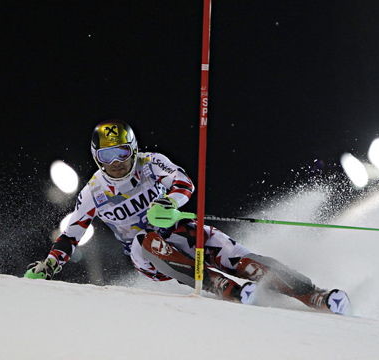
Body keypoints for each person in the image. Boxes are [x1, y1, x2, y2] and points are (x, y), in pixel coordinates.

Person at [25, 120, 350, 314]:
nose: (117, 162)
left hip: (179, 230)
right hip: (148, 255)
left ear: (133, 149)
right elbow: (72, 234)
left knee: (234, 254)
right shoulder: (93, 192)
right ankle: (220, 285)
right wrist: (50, 265)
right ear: (98, 158)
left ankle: (312, 293)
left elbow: (183, 182)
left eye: (122, 152)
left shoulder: (151, 163)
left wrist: (168, 202)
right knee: (143, 238)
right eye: (108, 156)